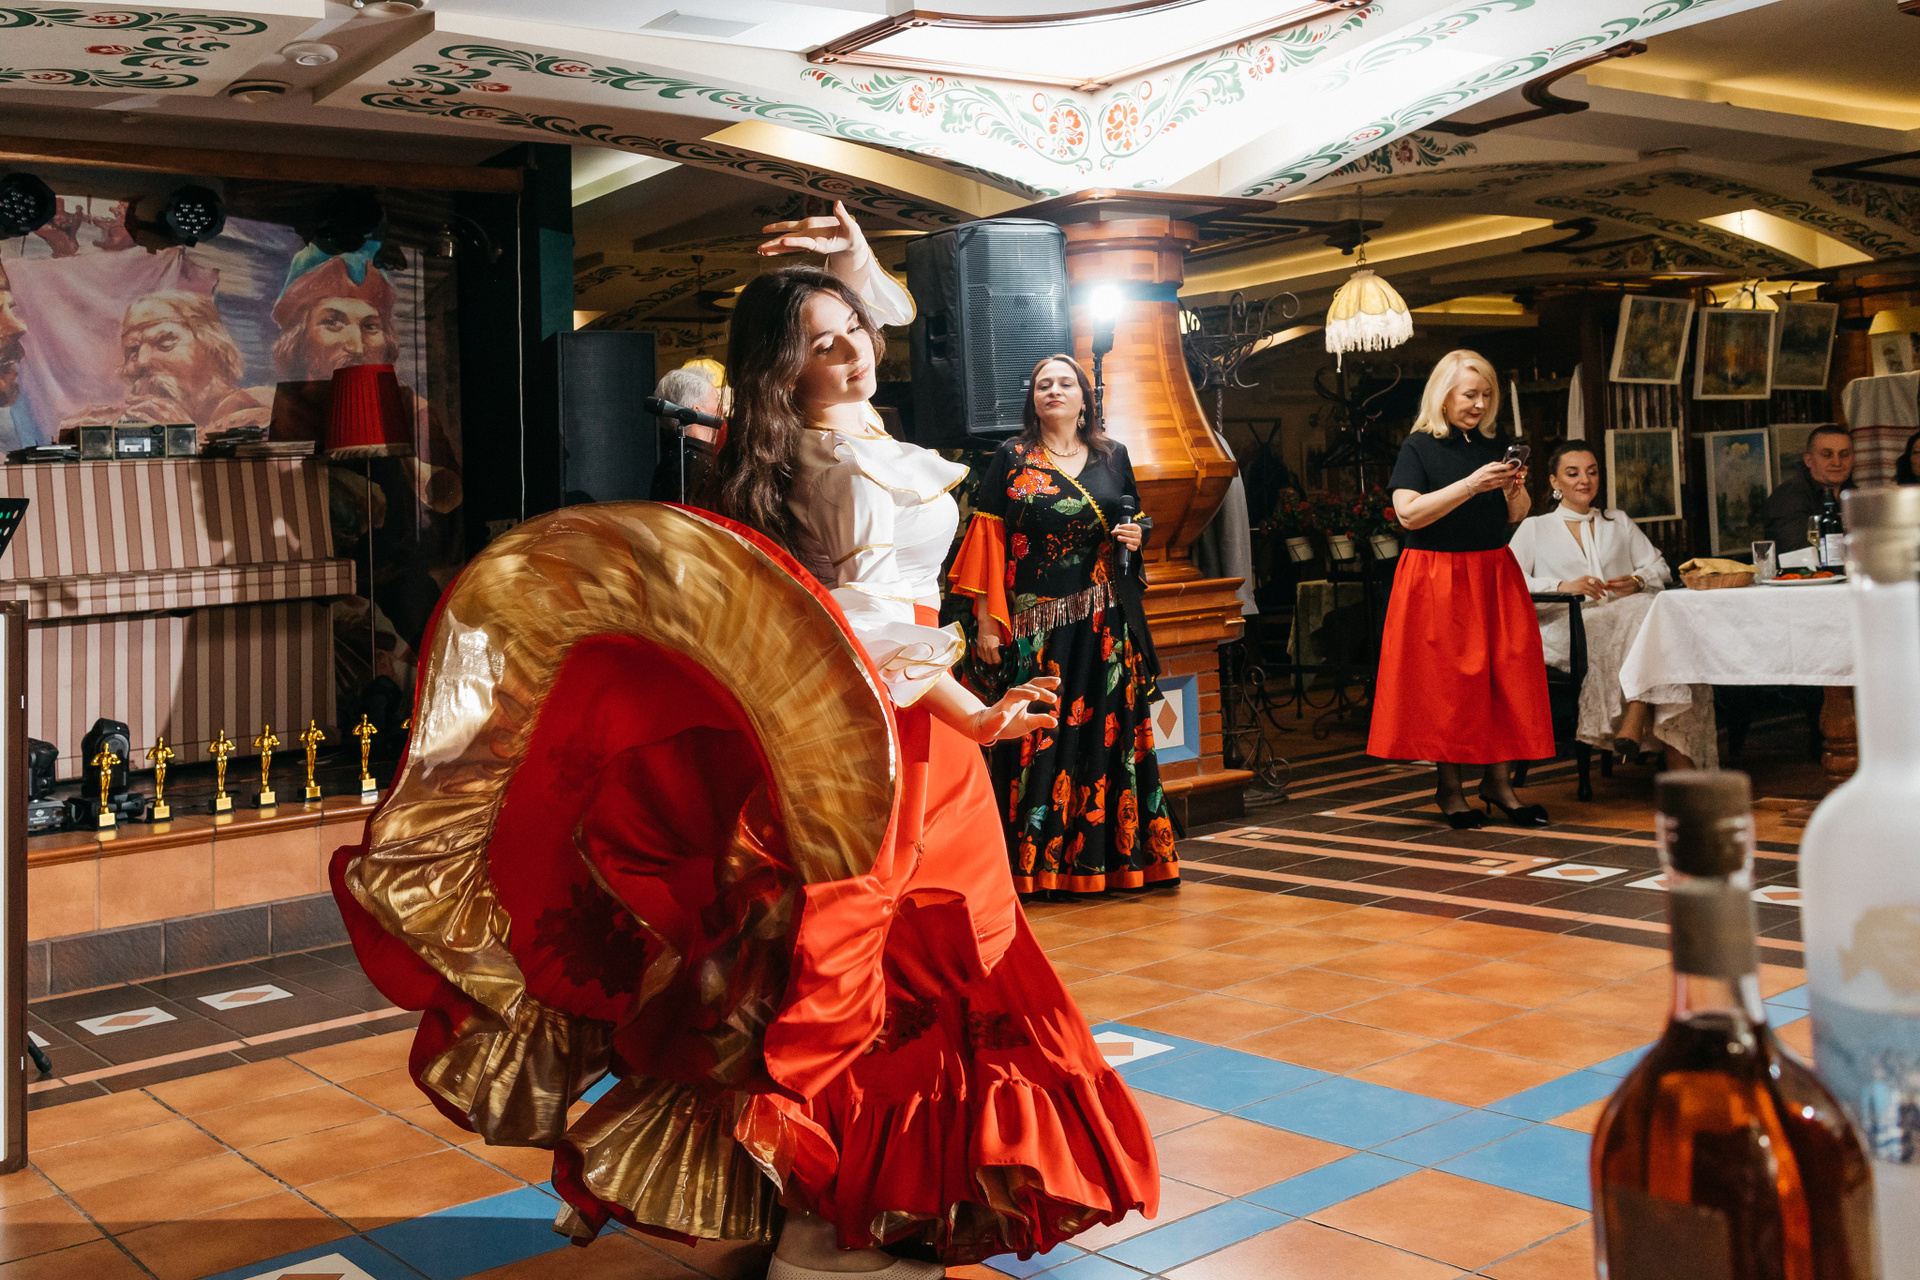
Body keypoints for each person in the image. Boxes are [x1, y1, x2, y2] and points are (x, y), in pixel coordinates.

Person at [950, 354, 1176, 897]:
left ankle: (1108, 863)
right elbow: (987, 541)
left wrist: (1137, 536)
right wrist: (986, 622)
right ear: (1033, 400)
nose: (1054, 390)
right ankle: (1034, 865)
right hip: (1036, 624)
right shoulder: (1011, 457)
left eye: (1065, 383)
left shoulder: (1113, 455)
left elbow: (1133, 520)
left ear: (1083, 399)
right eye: (1043, 384)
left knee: (1105, 736)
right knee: (1041, 733)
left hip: (1105, 623)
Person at [1370, 349, 1554, 828]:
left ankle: (1498, 783)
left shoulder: (1495, 443)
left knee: (1505, 677)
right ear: (1444, 396)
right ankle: (1450, 790)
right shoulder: (1418, 447)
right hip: (1437, 575)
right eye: (1470, 395)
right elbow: (1408, 514)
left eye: (1486, 395)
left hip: (1493, 571)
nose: (1480, 404)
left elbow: (1516, 516)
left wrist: (1513, 489)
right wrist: (1471, 485)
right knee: (1447, 685)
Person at [1508, 443, 1712, 771]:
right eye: (1572, 473)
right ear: (1554, 482)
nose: (1584, 480)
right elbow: (1509, 581)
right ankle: (1668, 751)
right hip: (1568, 627)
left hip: (1628, 624)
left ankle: (1640, 715)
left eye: (1592, 472)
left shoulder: (1617, 521)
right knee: (1651, 618)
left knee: (1651, 617)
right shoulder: (1536, 527)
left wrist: (1638, 581)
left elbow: (1658, 567)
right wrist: (1562, 586)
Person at [59, 291, 271, 438]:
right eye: (133, 351)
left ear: (213, 349)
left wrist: (184, 433)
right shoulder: (143, 420)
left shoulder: (261, 408)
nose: (142, 361)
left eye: (165, 343)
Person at [1762, 425, 1852, 552]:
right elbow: (1800, 552)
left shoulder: (1855, 494)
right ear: (1808, 460)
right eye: (1827, 455)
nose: (1837, 462)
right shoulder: (1790, 496)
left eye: (1844, 455)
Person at [648, 362, 722, 502]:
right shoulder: (695, 465)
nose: (723, 408)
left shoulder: (670, 460)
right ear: (697, 411)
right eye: (717, 400)